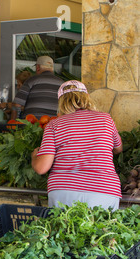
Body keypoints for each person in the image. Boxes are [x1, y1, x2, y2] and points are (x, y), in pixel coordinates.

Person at [31, 80, 123, 210]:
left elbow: (41, 168)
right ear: (86, 97)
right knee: (103, 230)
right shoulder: (106, 119)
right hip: (104, 190)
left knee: (65, 229)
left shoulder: (55, 125)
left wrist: (34, 156)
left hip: (64, 191)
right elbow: (118, 148)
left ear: (61, 101)